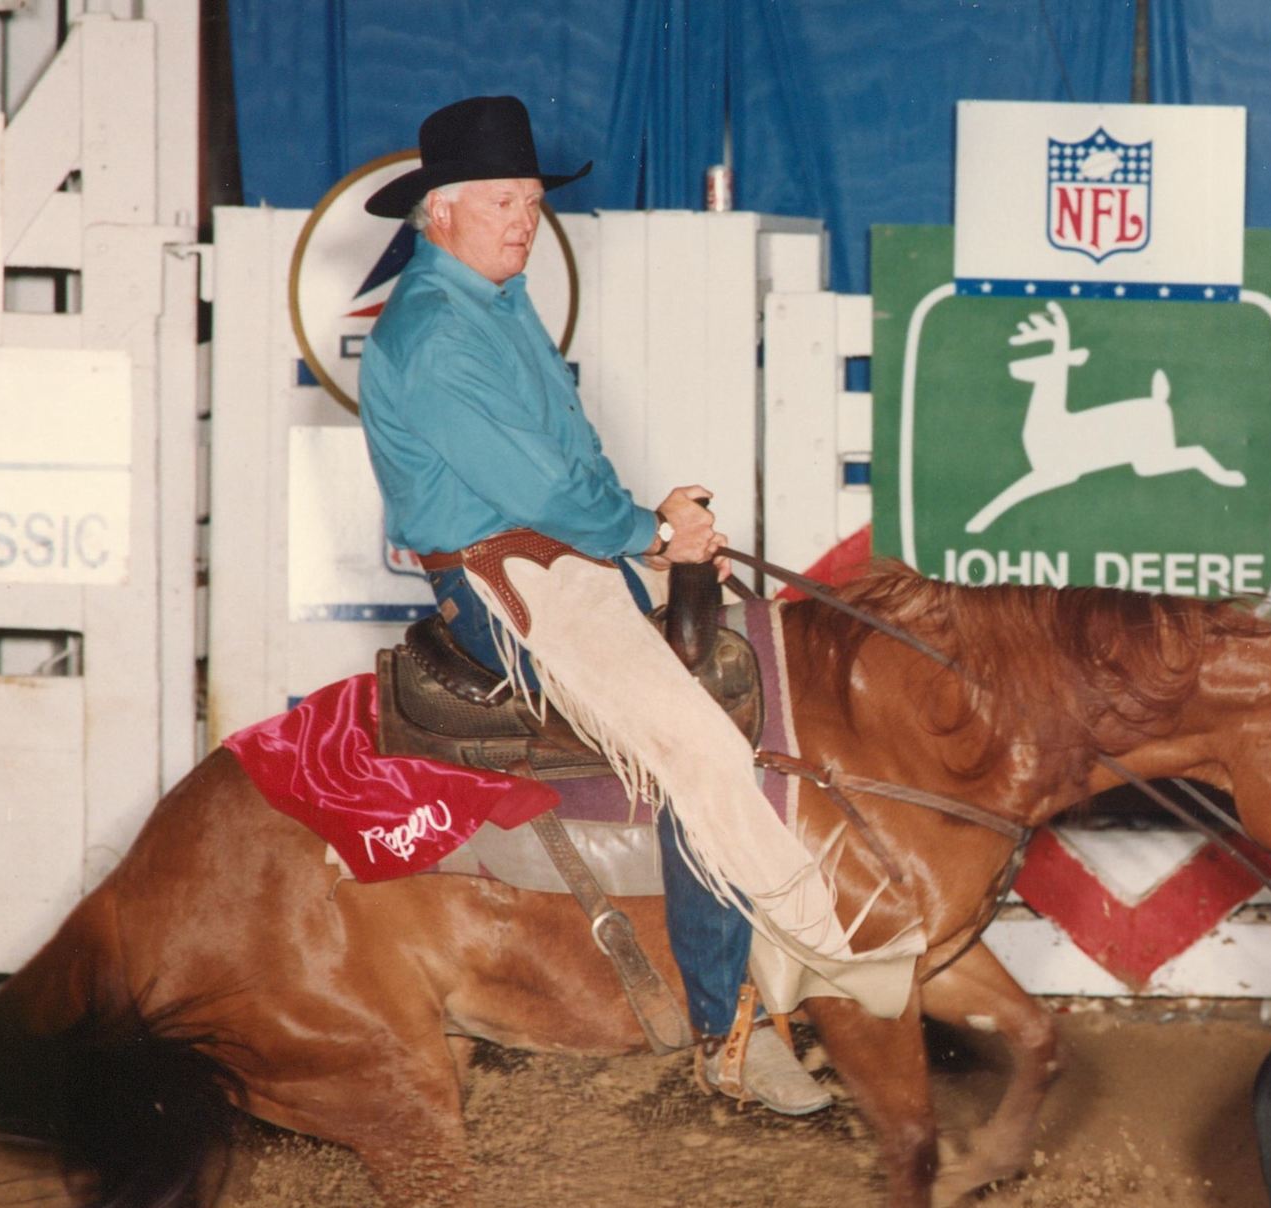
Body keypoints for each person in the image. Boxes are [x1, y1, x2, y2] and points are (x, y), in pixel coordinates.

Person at [357, 96, 907, 1114]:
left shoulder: (495, 302)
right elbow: (537, 487)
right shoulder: (435, 332)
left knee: (761, 648)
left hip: (565, 553)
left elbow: (574, 456)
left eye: (532, 202)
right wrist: (650, 533)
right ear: (440, 211)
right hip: (506, 582)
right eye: (501, 202)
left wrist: (654, 525)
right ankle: (730, 1026)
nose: (524, 221)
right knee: (698, 751)